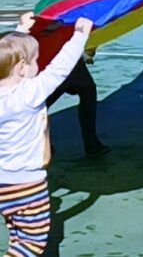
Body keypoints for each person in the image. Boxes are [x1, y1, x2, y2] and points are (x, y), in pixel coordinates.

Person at [0, 15, 94, 256]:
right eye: (35, 61)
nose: (39, 65)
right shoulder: (28, 94)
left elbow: (6, 53)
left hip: (4, 184)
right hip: (28, 184)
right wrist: (79, 36)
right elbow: (59, 69)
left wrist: (21, 30)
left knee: (17, 232)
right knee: (32, 243)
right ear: (21, 68)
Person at [45, 53, 110, 159]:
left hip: (68, 57)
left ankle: (92, 143)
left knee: (88, 90)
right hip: (53, 57)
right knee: (39, 103)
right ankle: (39, 144)